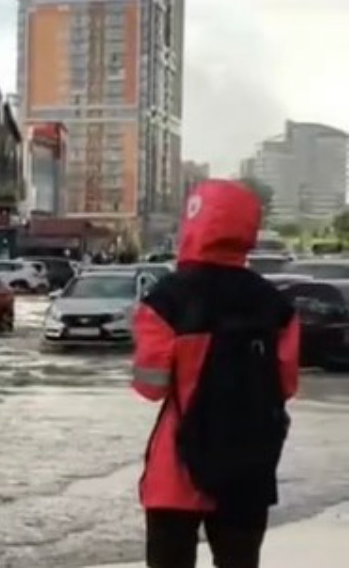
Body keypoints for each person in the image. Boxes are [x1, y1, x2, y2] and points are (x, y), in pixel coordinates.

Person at [131, 180, 299, 568]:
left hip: (175, 474)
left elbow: (150, 387)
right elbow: (286, 386)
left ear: (192, 223)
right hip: (248, 470)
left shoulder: (165, 300)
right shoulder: (277, 306)